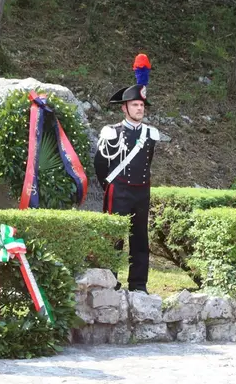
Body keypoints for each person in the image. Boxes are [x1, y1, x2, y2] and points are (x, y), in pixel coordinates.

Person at [94, 54, 160, 294]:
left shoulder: (151, 134)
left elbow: (148, 162)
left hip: (141, 191)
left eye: (142, 105)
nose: (140, 109)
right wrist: (111, 186)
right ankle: (110, 281)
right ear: (124, 108)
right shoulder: (112, 132)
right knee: (114, 239)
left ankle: (139, 285)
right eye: (135, 105)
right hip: (119, 189)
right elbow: (100, 164)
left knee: (140, 239)